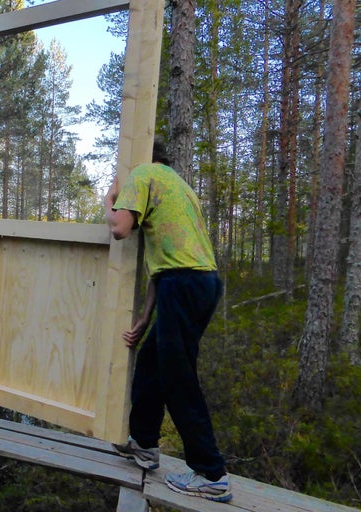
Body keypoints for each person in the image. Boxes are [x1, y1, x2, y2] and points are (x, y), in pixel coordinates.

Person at [105, 137, 232, 503]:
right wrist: (146, 316)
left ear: (141, 159)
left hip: (185, 283)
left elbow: (119, 229)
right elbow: (165, 261)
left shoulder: (141, 175)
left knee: (178, 376)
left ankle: (212, 474)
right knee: (150, 363)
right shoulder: (177, 184)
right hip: (197, 282)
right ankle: (145, 444)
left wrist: (109, 202)